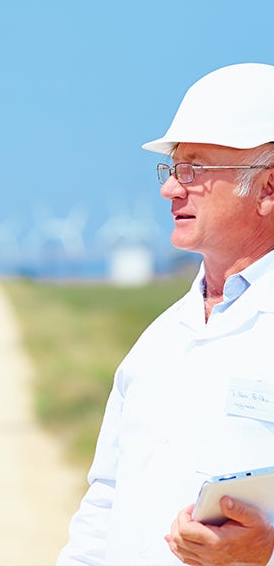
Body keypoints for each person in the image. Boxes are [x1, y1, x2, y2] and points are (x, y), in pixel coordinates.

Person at [57, 62, 274, 565]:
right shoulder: (158, 342)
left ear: (267, 188)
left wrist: (265, 550)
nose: (171, 189)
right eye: (173, 168)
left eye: (195, 170)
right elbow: (106, 501)